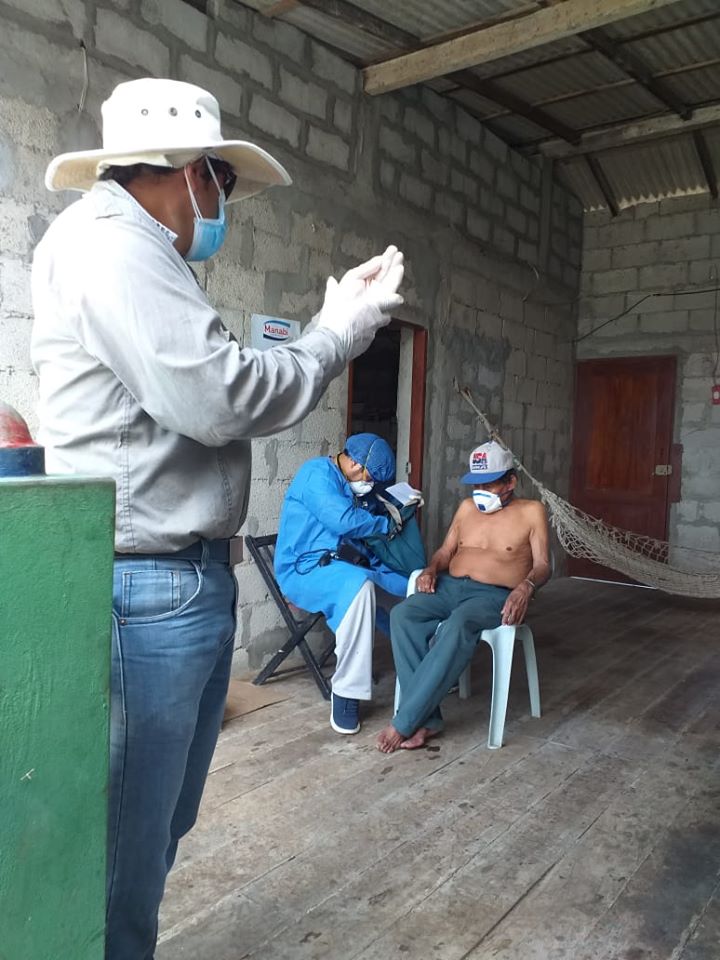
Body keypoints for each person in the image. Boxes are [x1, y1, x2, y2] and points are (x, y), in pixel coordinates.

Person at [30, 77, 404, 959]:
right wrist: (334, 336)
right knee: (127, 850)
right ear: (189, 170)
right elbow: (222, 398)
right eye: (223, 180)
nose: (223, 200)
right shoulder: (115, 247)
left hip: (171, 580)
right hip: (148, 583)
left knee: (155, 825)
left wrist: (325, 327)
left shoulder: (130, 251)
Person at [377, 440, 550, 753]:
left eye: (489, 484)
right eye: (476, 484)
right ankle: (427, 719)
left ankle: (404, 723)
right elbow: (445, 552)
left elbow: (543, 566)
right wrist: (431, 569)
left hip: (494, 595)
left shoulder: (531, 512)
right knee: (403, 615)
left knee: (458, 625)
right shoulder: (467, 508)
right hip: (450, 586)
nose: (480, 491)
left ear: (510, 482)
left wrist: (526, 587)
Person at [275, 433, 409, 734]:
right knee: (360, 587)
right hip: (304, 571)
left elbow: (358, 541)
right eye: (369, 477)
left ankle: (423, 663)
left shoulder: (350, 487)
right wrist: (386, 524)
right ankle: (347, 691)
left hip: (339, 565)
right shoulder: (316, 473)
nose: (369, 484)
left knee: (407, 587)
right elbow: (344, 521)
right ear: (355, 463)